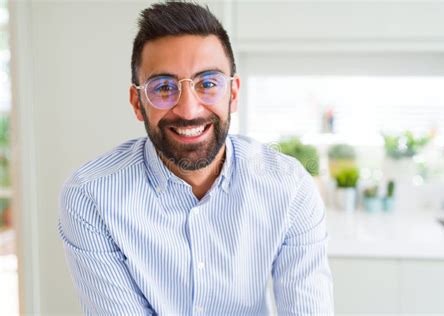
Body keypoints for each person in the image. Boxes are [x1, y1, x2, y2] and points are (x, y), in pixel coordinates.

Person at [58, 1, 334, 315]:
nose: (189, 110)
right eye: (164, 87)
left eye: (207, 84)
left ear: (232, 94)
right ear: (138, 103)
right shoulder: (90, 196)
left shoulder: (290, 186)